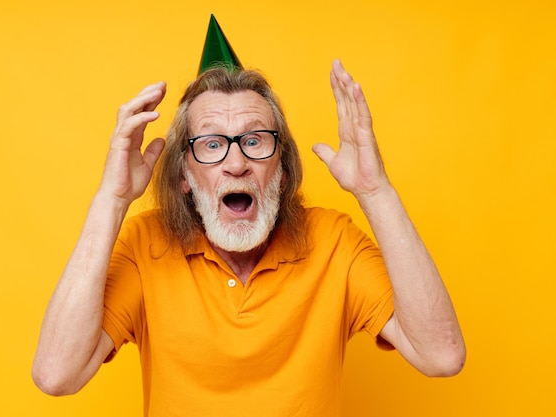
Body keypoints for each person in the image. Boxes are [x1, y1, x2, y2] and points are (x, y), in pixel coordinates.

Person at [32, 49, 465, 414]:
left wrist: (375, 191)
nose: (236, 163)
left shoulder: (333, 240)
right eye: (212, 144)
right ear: (184, 174)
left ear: (281, 168)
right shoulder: (147, 245)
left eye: (255, 140)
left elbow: (441, 356)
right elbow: (56, 374)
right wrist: (112, 198)